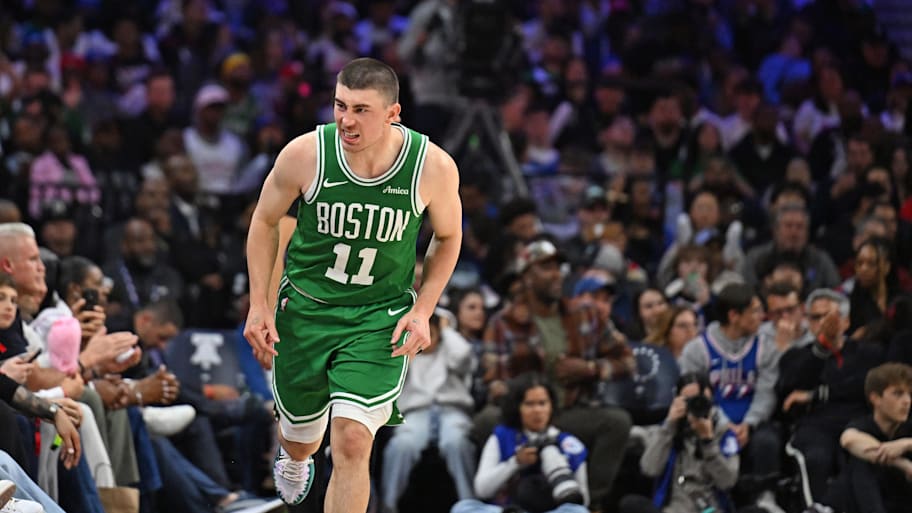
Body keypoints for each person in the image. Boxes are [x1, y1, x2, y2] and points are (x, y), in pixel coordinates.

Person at [243, 57, 462, 512]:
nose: (346, 119)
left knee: (352, 440)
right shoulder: (306, 154)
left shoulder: (431, 166)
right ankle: (294, 454)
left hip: (378, 317)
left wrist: (423, 310)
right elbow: (264, 221)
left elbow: (448, 235)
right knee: (303, 440)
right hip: (306, 308)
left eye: (361, 109)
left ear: (392, 113)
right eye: (340, 105)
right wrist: (259, 304)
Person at [451, 373, 589, 513]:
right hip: (509, 510)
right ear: (517, 407)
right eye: (529, 404)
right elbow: (482, 489)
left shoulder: (568, 444)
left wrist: (560, 464)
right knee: (462, 508)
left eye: (542, 403)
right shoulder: (502, 436)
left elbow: (582, 501)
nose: (537, 410)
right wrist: (515, 463)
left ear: (551, 406)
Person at [620, 372, 740, 513]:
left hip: (711, 508)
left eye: (702, 400)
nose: (696, 406)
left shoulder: (724, 433)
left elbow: (727, 482)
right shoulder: (670, 430)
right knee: (630, 503)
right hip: (674, 507)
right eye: (689, 400)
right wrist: (669, 426)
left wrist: (708, 442)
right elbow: (649, 469)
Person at [828, 363, 912, 513]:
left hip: (902, 501)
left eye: (909, 394)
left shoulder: (908, 428)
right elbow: (848, 439)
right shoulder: (863, 425)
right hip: (865, 501)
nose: (907, 401)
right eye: (898, 394)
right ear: (876, 398)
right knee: (862, 461)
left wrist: (906, 444)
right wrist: (904, 464)